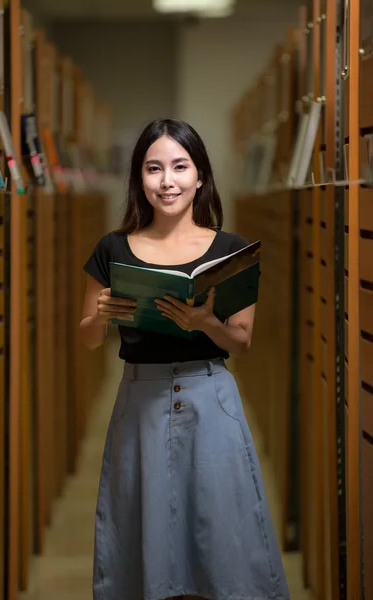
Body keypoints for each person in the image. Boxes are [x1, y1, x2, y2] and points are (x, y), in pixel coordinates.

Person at [80, 118, 290, 600]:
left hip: (210, 399)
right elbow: (88, 338)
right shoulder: (112, 249)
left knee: (223, 543)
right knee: (141, 542)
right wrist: (102, 316)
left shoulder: (231, 251)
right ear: (140, 179)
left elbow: (241, 342)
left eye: (180, 166)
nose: (167, 181)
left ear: (200, 176)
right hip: (140, 406)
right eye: (154, 169)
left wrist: (204, 325)